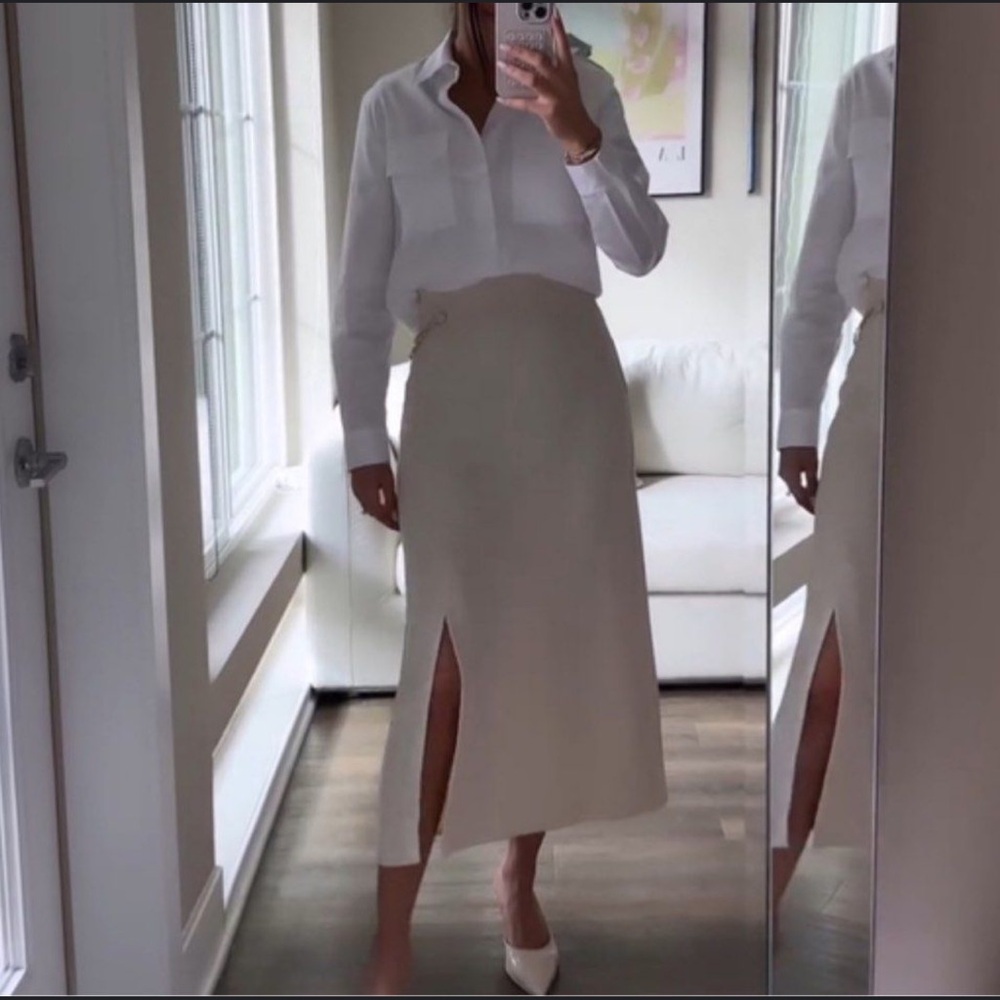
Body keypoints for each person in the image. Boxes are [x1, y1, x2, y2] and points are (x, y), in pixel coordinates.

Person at [331, 4, 670, 994]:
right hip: (454, 405)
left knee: (539, 655)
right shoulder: (391, 108)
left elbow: (640, 247)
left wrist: (577, 135)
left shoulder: (586, 87)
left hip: (570, 401)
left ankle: (518, 878)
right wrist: (363, 435)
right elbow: (358, 295)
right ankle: (391, 941)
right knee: (439, 670)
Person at [771, 45, 895, 908]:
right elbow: (816, 271)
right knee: (831, 653)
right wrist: (797, 417)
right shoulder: (869, 84)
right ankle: (766, 911)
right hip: (884, 371)